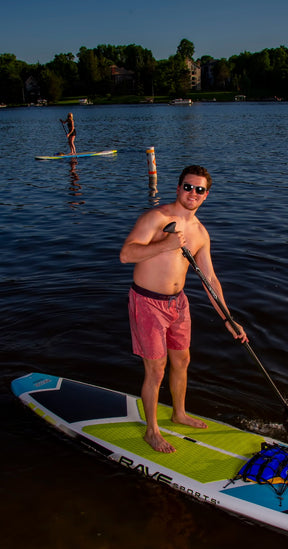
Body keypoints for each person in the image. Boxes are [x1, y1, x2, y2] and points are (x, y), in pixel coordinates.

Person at [119, 165, 248, 453]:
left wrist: (228, 319)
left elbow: (210, 279)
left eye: (199, 190)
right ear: (178, 189)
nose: (193, 193)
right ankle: (152, 431)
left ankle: (179, 413)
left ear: (206, 196)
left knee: (182, 361)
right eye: (188, 187)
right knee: (156, 370)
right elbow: (126, 254)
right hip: (147, 302)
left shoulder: (201, 233)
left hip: (178, 304)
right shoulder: (156, 218)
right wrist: (165, 244)